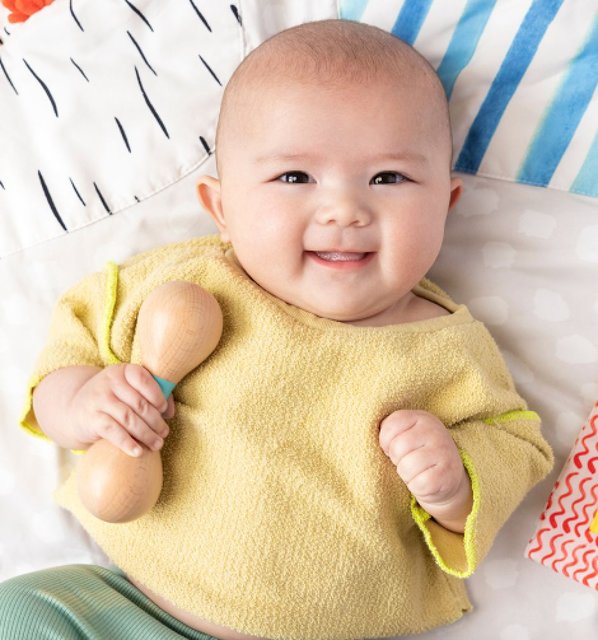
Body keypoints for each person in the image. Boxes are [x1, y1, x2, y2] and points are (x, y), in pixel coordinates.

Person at [0, 19, 552, 640]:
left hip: (324, 631)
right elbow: (66, 352)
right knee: (19, 610)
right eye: (295, 178)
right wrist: (84, 402)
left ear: (445, 207)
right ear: (223, 209)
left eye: (389, 178)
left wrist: (454, 481)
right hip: (129, 607)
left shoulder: (448, 348)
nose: (344, 208)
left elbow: (516, 445)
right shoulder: (187, 281)